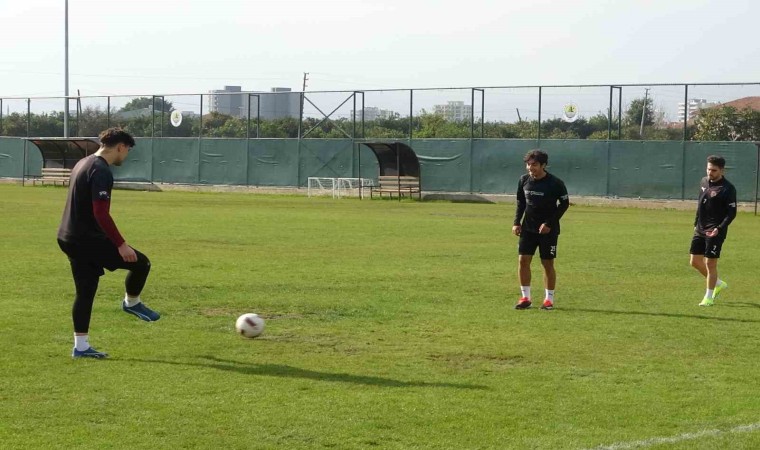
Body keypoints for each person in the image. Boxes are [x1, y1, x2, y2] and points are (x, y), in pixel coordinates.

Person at [57, 128, 160, 359]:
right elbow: (100, 213)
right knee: (141, 263)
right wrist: (121, 244)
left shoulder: (83, 162)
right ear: (121, 146)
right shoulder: (101, 170)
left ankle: (81, 347)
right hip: (85, 239)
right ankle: (132, 302)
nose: (126, 156)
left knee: (85, 291)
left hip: (68, 237)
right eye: (127, 151)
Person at [512, 149, 570, 310]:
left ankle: (548, 300)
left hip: (548, 231)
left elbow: (564, 204)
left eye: (535, 165)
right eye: (528, 165)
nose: (531, 168)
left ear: (544, 165)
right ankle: (525, 298)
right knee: (523, 260)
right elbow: (521, 203)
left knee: (547, 263)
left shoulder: (555, 183)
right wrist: (517, 222)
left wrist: (549, 223)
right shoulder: (523, 180)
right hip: (528, 229)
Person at [690, 155, 737, 307]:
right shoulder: (704, 181)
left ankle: (708, 297)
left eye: (714, 170)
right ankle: (718, 283)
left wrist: (719, 228)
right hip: (700, 228)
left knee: (710, 263)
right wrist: (696, 222)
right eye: (709, 169)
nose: (710, 172)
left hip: (715, 231)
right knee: (695, 262)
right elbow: (700, 203)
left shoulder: (728, 189)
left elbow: (732, 213)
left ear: (722, 171)